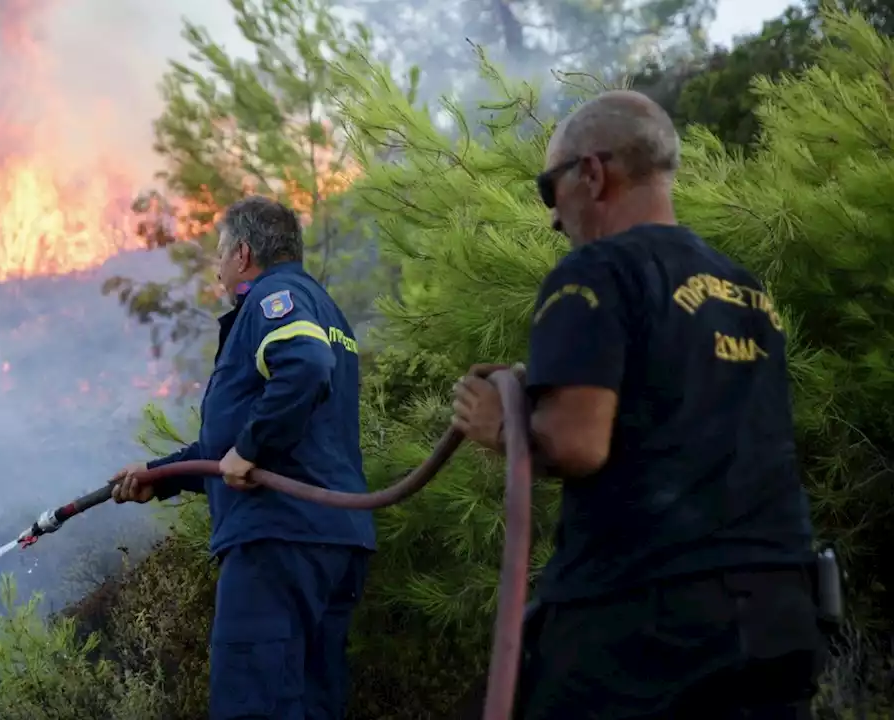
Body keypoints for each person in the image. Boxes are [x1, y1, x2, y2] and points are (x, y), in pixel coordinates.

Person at [452, 90, 826, 719]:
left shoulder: (594, 272)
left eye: (550, 190)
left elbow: (577, 442)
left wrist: (500, 424)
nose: (552, 219)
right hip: (777, 615)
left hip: (645, 626)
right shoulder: (745, 290)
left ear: (592, 174)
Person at [109, 195, 375, 720]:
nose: (217, 266)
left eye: (220, 253)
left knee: (252, 706)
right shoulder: (323, 306)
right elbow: (227, 448)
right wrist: (159, 476)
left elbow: (304, 365)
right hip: (331, 540)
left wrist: (251, 448)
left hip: (277, 541)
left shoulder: (274, 297)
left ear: (243, 253)